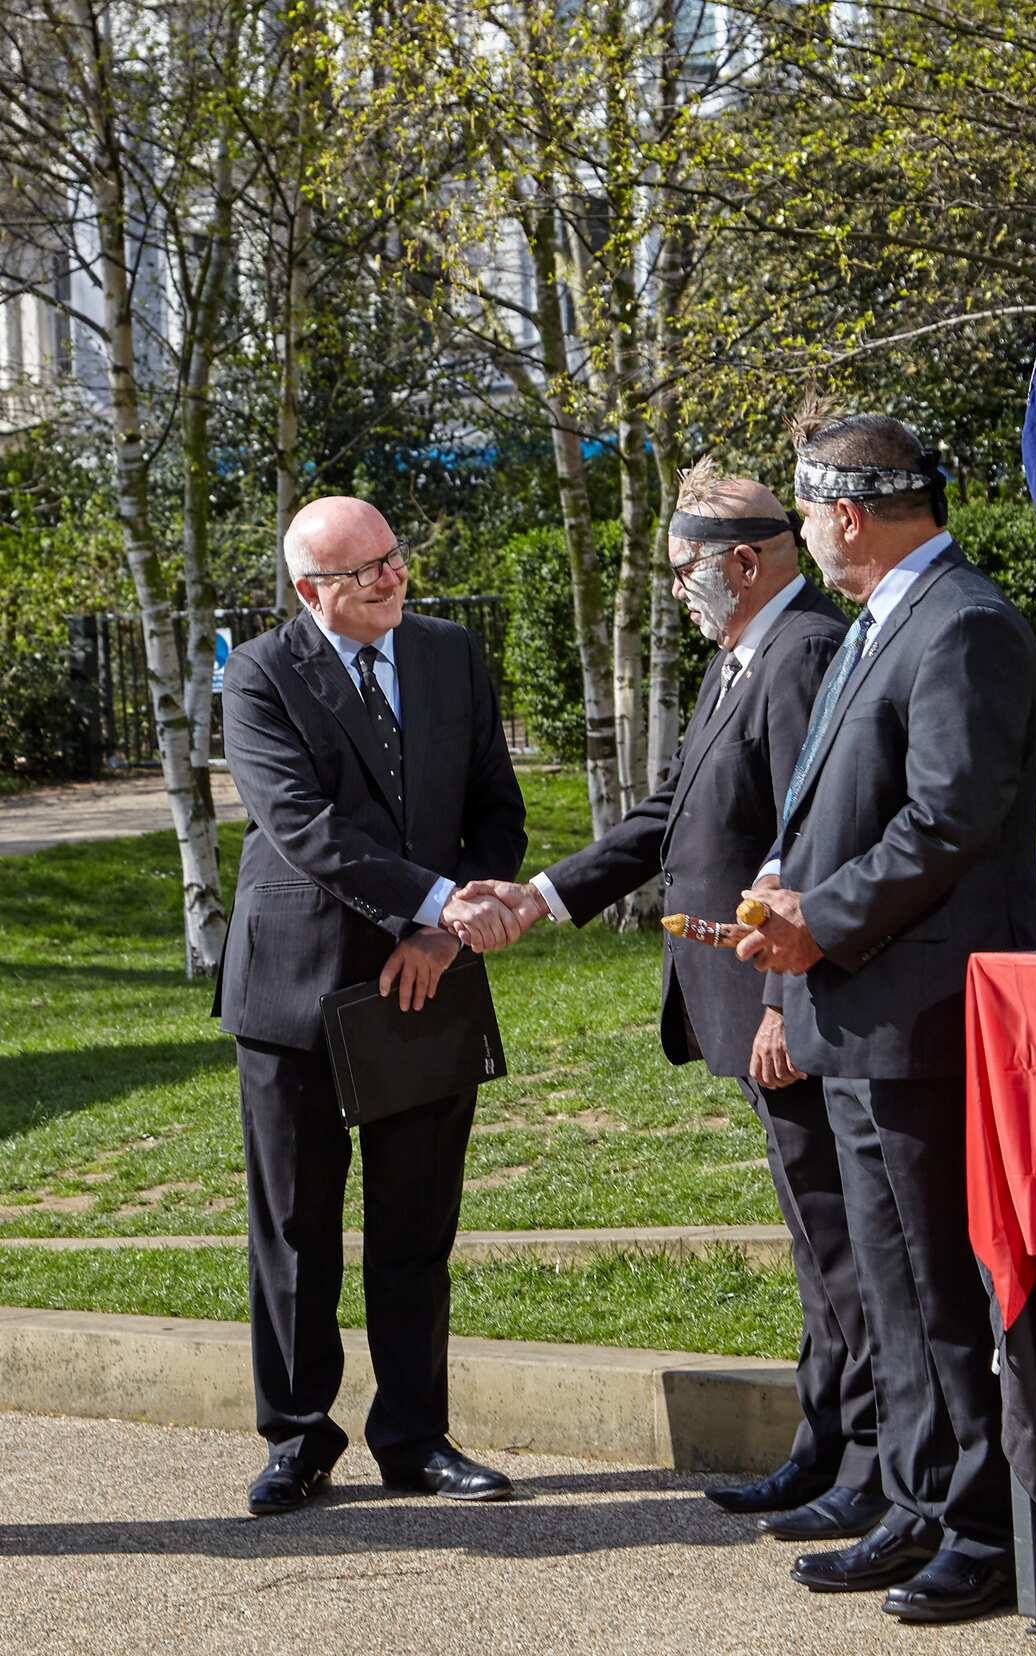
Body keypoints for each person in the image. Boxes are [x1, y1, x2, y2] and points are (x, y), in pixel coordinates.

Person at [456, 461, 886, 1543]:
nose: (678, 590)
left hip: (781, 1005)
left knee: (837, 1241)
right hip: (742, 1002)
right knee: (811, 1234)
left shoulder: (799, 658)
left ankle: (873, 1466)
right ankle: (823, 1445)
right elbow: (668, 816)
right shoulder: (744, 656)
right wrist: (541, 896)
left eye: (685, 570)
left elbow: (806, 849)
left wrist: (785, 1001)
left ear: (743, 563)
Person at [737, 408, 1036, 1624]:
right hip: (861, 1008)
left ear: (846, 515)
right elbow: (842, 799)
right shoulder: (887, 617)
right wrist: (782, 886)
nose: (807, 535)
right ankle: (919, 1501)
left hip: (921, 1010)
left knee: (937, 1283)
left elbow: (947, 819)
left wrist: (823, 914)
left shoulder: (961, 623)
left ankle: (984, 1526)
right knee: (891, 1282)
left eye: (808, 514)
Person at [214, 496, 527, 1516]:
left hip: (424, 982)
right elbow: (303, 827)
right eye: (362, 574)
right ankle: (298, 1440)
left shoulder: (448, 653)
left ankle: (415, 1437)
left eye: (393, 558)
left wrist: (444, 936)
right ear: (311, 592)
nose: (390, 580)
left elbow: (495, 811)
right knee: (296, 1230)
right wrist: (435, 904)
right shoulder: (260, 673)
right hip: (294, 987)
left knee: (414, 1224)